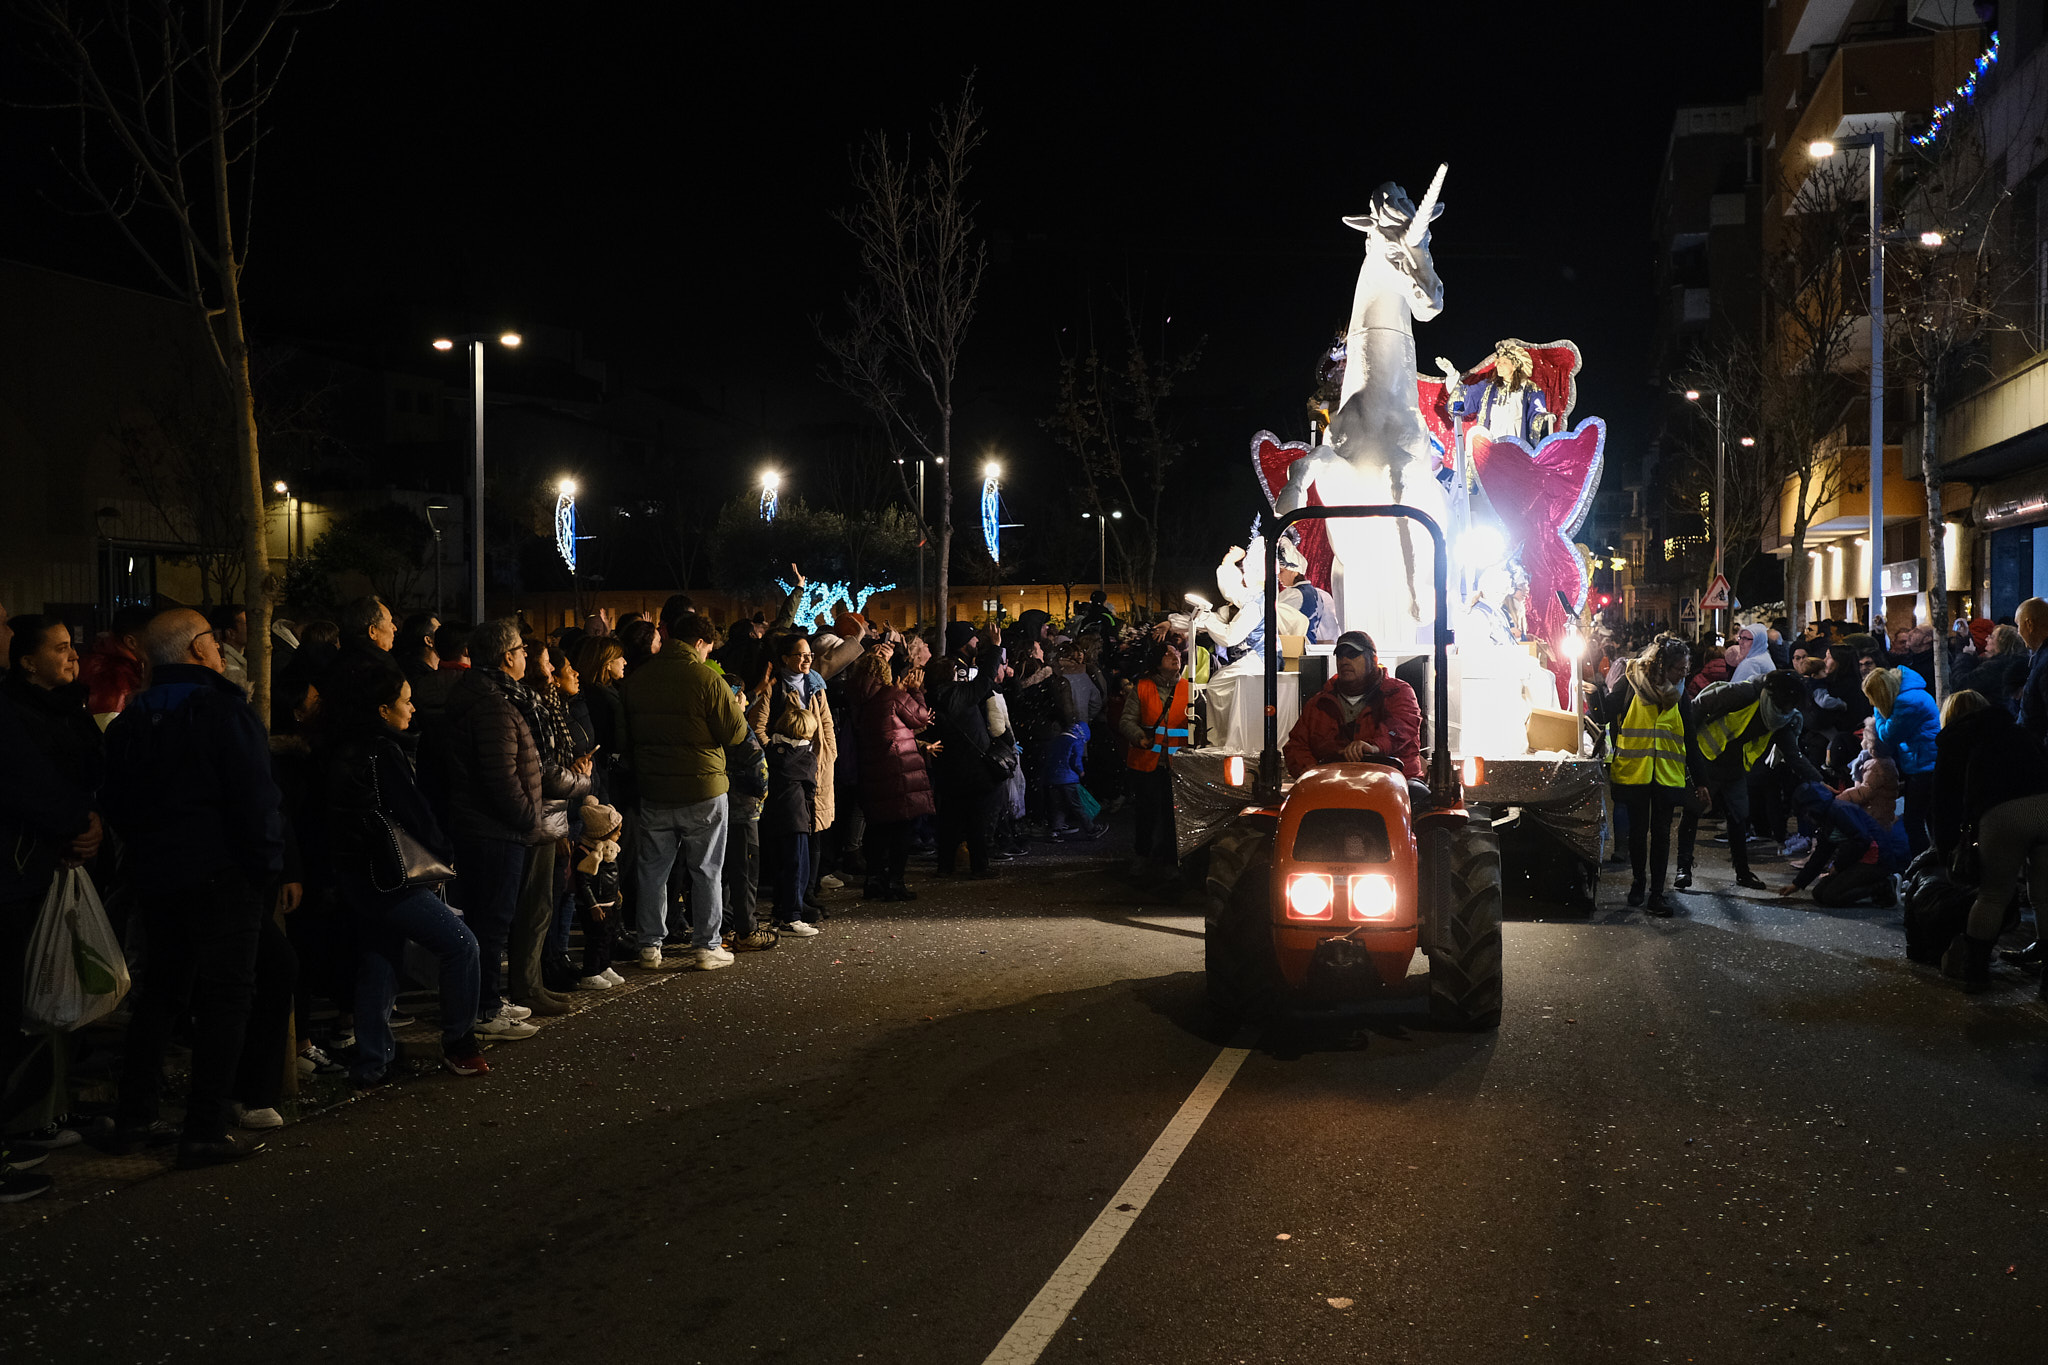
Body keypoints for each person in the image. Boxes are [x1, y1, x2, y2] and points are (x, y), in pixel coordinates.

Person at [99, 609, 283, 1168]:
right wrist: (265, 870)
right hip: (223, 875)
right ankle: (203, 1127)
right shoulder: (224, 710)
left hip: (158, 876)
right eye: (209, 638)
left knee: (163, 991)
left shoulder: (135, 719)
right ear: (195, 649)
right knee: (227, 997)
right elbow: (255, 800)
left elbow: (117, 802)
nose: (218, 647)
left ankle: (135, 1116)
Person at [324, 668, 487, 1080]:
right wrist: (441, 856)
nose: (412, 708)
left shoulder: (343, 746)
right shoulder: (381, 752)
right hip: (389, 875)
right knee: (461, 945)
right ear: (382, 709)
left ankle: (372, 1062)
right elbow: (413, 812)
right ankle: (459, 1043)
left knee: (380, 958)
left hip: (358, 874)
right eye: (405, 701)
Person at [0, 615, 104, 1188]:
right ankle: (27, 1118)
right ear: (25, 660)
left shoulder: (71, 707)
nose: (72, 656)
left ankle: (48, 1108)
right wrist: (72, 824)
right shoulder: (16, 713)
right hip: (26, 864)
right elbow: (28, 784)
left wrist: (90, 822)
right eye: (60, 648)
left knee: (56, 986)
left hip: (50, 860)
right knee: (27, 995)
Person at [619, 608, 748, 970]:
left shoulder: (638, 679)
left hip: (654, 788)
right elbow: (735, 734)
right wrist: (737, 708)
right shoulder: (707, 679)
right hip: (703, 787)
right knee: (706, 869)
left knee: (653, 870)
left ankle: (649, 945)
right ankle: (707, 945)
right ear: (700, 642)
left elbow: (625, 736)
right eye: (708, 648)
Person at [438, 619, 548, 1038]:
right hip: (495, 830)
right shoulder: (492, 704)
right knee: (490, 922)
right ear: (506, 657)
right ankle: (484, 1010)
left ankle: (488, 1000)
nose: (526, 655)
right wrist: (527, 818)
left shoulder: (488, 696)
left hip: (488, 827)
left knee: (489, 921)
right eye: (521, 649)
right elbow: (500, 776)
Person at [1931, 688, 2048, 992]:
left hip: (2000, 816)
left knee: (1993, 895)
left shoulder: (1954, 742)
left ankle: (1976, 972)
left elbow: (1943, 804)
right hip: (2046, 806)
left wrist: (1946, 853)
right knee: (2045, 896)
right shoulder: (2015, 731)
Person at [1676, 670, 1809, 892]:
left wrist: (1818, 781)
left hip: (1734, 769)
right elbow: (1697, 707)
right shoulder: (1744, 693)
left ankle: (1743, 873)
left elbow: (1793, 754)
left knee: (1739, 818)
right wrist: (1688, 750)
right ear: (1779, 697)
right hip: (1706, 759)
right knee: (1692, 811)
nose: (1791, 710)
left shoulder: (1780, 718)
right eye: (1790, 704)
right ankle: (1683, 868)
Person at [1598, 636, 1697, 915]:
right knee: (1639, 833)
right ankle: (1639, 884)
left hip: (1667, 775)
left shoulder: (1679, 693)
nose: (1683, 674)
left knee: (1662, 835)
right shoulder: (1630, 683)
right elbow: (1607, 713)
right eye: (1679, 669)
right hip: (1636, 773)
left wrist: (1701, 781)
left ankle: (1656, 894)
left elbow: (1689, 736)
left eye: (1686, 669)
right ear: (1662, 666)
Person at [751, 632, 835, 934]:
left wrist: (828, 756)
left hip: (814, 768)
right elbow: (757, 726)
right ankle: (790, 907)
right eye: (800, 655)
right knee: (794, 839)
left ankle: (803, 898)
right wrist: (778, 752)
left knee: (813, 833)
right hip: (788, 772)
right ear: (785, 657)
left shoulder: (816, 685)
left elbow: (826, 724)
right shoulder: (773, 689)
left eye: (809, 654)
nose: (806, 660)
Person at [851, 650, 936, 900]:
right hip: (897, 767)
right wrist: (916, 690)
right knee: (901, 827)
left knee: (877, 827)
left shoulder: (856, 696)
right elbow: (920, 716)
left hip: (871, 767)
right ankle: (895, 882)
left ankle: (873, 879)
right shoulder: (891, 695)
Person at [1283, 630, 1423, 779]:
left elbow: (1401, 728)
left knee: (1417, 793)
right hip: (1334, 787)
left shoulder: (1398, 692)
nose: (1344, 660)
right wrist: (1313, 774)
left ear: (1374, 659)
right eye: (1340, 655)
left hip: (1396, 785)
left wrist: (1375, 747)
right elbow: (1296, 746)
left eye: (1353, 654)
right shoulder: (1318, 703)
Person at [1119, 639, 1194, 876]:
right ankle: (1143, 855)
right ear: (1156, 662)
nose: (1176, 657)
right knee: (1146, 814)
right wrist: (1138, 736)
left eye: (1177, 654)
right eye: (1168, 654)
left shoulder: (1190, 689)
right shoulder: (1142, 687)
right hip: (1146, 764)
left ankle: (1171, 861)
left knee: (1175, 816)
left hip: (1179, 765)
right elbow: (1126, 720)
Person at [1862, 665, 1939, 857]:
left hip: (1924, 766)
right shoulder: (1909, 693)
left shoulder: (1907, 702)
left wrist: (1878, 711)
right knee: (1930, 818)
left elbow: (1887, 734)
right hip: (1924, 762)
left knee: (1914, 821)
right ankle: (1935, 863)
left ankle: (1921, 867)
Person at [568, 796, 628, 990]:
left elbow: (612, 876)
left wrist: (615, 892)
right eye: (616, 832)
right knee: (595, 939)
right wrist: (592, 904)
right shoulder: (586, 853)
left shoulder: (610, 851)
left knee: (608, 938)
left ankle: (604, 966)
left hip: (609, 902)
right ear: (603, 833)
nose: (619, 835)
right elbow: (584, 882)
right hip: (596, 905)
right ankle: (590, 971)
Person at [2016, 597, 2048, 745]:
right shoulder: (2041, 657)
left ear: (2029, 624)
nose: (2018, 632)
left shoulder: (2045, 662)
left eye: (2018, 625)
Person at [208, 603, 250, 694]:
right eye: (247, 623)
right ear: (230, 633)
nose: (253, 627)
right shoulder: (229, 665)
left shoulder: (237, 658)